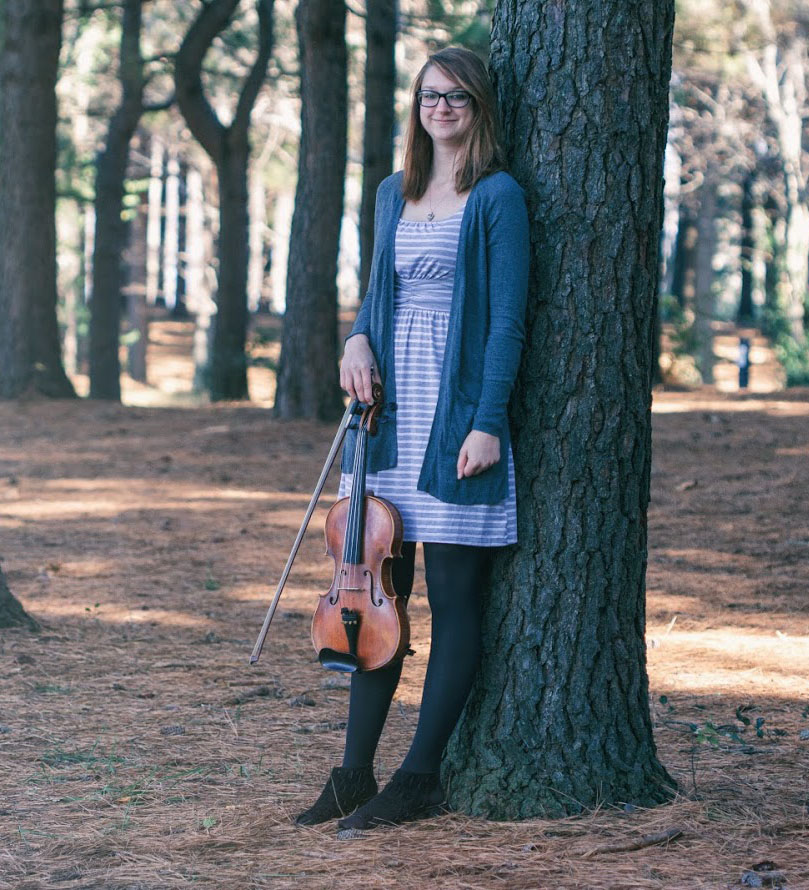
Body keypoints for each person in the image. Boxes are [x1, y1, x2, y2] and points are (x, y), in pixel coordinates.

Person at [293, 46, 529, 832]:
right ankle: (353, 772)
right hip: (389, 417)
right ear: (417, 105)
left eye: (458, 96)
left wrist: (488, 422)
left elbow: (506, 322)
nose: (443, 107)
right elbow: (375, 298)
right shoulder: (393, 192)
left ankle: (420, 775)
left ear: (479, 109)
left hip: (457, 415)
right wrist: (355, 342)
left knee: (456, 599)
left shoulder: (496, 197)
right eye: (431, 95)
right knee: (375, 595)